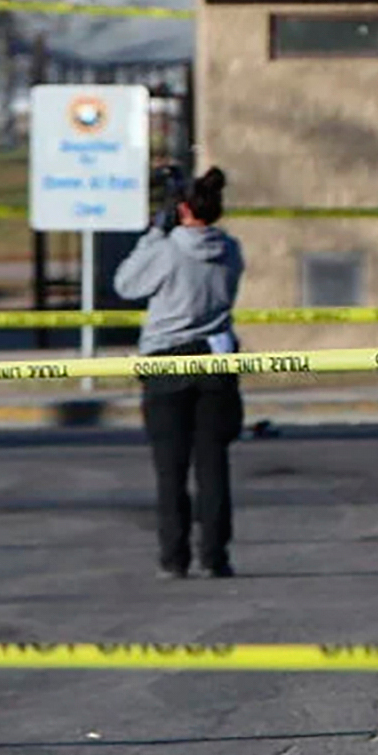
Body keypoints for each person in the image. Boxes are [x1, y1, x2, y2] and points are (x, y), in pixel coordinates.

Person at [116, 166, 244, 579]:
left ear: (183, 209)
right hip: (216, 360)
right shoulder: (231, 249)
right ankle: (216, 555)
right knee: (213, 464)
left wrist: (155, 233)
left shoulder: (168, 250)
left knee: (171, 469)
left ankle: (174, 557)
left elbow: (126, 284)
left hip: (166, 361)